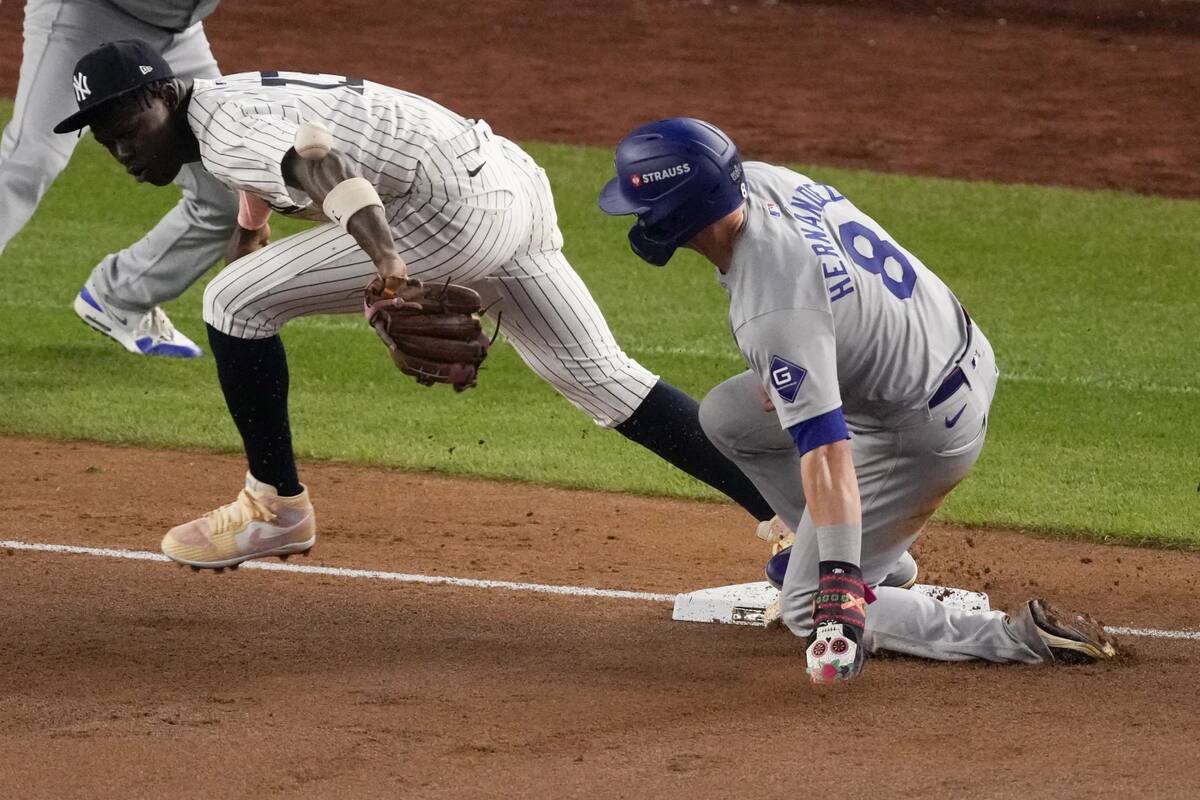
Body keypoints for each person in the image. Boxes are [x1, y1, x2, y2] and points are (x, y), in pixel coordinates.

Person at [54, 40, 778, 569]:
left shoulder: (229, 127)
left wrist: (389, 262)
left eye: (128, 127)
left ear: (167, 95)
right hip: (509, 184)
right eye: (105, 138)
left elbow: (316, 160)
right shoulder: (230, 110)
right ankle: (795, 525)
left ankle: (274, 507)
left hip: (447, 212)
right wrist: (254, 249)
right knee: (600, 375)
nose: (120, 149)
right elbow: (266, 211)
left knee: (229, 300)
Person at [598, 117, 1118, 683]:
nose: (638, 217)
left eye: (643, 204)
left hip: (921, 429)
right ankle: (882, 560)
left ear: (677, 212)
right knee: (728, 415)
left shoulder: (774, 310)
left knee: (805, 607)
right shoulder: (766, 183)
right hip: (946, 351)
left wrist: (839, 585)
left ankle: (1016, 637)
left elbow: (826, 447)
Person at [1, 0, 238, 357]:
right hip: (89, 14)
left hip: (179, 33)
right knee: (29, 160)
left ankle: (118, 296)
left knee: (228, 194)